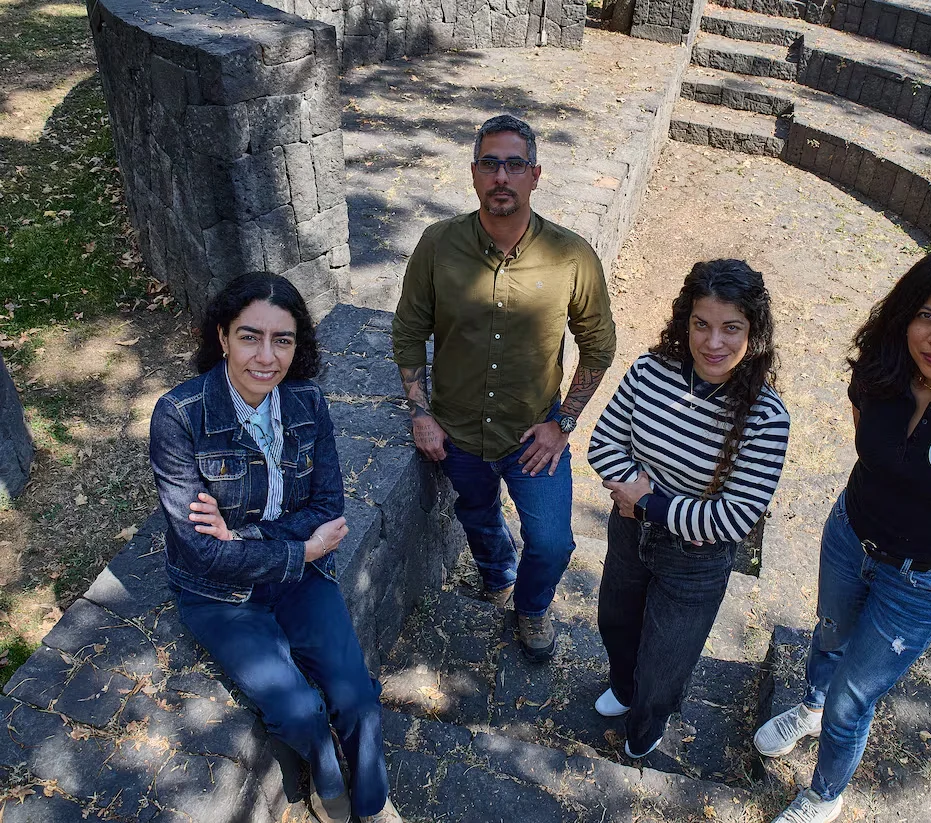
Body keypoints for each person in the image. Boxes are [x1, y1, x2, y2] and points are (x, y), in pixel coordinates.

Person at [755, 245, 931, 823]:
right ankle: (809, 707)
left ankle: (825, 794)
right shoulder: (878, 374)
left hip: (918, 582)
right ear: (905, 316)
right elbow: (873, 455)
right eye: (926, 315)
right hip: (848, 539)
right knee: (829, 633)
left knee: (852, 701)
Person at [149, 274, 402, 823]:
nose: (266, 357)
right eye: (249, 337)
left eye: (282, 340)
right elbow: (200, 554)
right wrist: (300, 548)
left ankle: (373, 801)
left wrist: (243, 536)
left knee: (357, 696)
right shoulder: (179, 416)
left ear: (297, 344)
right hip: (218, 594)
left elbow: (329, 509)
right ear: (222, 336)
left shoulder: (307, 401)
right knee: (296, 710)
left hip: (299, 578)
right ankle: (326, 778)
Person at [391, 114, 617, 662]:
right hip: (458, 432)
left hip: (532, 437)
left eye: (515, 165)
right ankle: (497, 573)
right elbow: (407, 330)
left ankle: (532, 607)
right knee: (477, 513)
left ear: (535, 175)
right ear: (474, 174)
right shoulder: (438, 245)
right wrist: (420, 412)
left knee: (554, 542)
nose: (502, 177)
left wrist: (563, 424)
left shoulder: (572, 257)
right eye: (490, 163)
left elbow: (599, 346)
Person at [588, 259, 791, 758]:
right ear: (685, 321)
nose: (713, 342)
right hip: (629, 535)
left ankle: (645, 726)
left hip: (694, 562)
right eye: (701, 324)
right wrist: (667, 508)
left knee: (665, 660)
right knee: (616, 622)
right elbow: (603, 446)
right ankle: (626, 689)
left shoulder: (765, 417)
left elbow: (733, 519)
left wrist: (646, 501)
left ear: (754, 332)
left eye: (731, 328)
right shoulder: (649, 371)